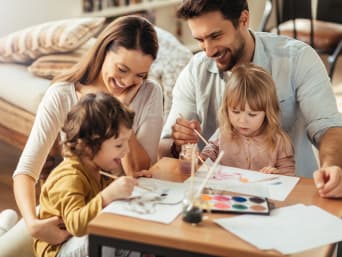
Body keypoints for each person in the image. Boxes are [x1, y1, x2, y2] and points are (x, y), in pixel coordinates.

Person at [6, 15, 163, 257]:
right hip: (72, 210)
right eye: (122, 69)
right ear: (103, 51)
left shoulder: (149, 93)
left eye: (140, 75)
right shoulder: (62, 94)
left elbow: (137, 171)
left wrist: (119, 111)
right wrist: (33, 225)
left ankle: (5, 225)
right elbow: (27, 170)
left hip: (113, 213)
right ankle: (6, 226)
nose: (128, 81)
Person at [159, 0, 342, 179]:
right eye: (199, 39)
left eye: (216, 36)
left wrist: (332, 169)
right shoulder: (194, 72)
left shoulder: (297, 59)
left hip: (289, 192)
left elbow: (329, 129)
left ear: (243, 20)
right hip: (218, 194)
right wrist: (178, 143)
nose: (208, 51)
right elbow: (164, 146)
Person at [34, 92, 137, 257]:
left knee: (127, 236)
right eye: (119, 145)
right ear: (89, 147)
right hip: (59, 250)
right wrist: (107, 196)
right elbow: (76, 225)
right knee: (105, 235)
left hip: (78, 240)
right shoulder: (69, 176)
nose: (127, 151)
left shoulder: (98, 169)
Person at [200, 64, 295, 176]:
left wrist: (276, 174)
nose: (242, 121)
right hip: (227, 191)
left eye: (252, 114)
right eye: (235, 112)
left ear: (267, 112)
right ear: (226, 108)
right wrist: (199, 158)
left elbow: (288, 175)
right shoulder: (223, 133)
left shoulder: (279, 141)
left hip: (263, 192)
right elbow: (207, 155)